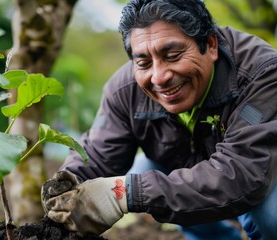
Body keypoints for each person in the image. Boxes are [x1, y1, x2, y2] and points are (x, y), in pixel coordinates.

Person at [41, 0, 277, 239]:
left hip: (264, 173)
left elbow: (244, 173)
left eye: (173, 56)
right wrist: (66, 187)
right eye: (143, 63)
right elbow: (99, 155)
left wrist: (124, 194)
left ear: (211, 45)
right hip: (195, 175)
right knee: (142, 169)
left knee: (272, 216)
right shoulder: (124, 91)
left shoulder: (262, 73)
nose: (159, 77)